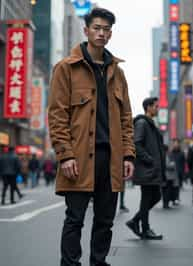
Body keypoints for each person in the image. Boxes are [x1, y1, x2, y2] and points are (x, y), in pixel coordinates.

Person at [48, 7, 135, 266]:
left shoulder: (117, 73)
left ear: (110, 34)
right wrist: (65, 154)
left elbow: (125, 118)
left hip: (111, 159)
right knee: (75, 218)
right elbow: (57, 115)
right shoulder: (66, 68)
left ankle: (99, 262)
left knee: (105, 220)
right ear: (86, 31)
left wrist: (128, 154)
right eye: (97, 28)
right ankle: (70, 263)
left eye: (106, 29)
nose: (101, 33)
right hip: (79, 157)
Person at [126, 97, 165, 240]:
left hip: (150, 169)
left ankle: (135, 222)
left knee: (154, 196)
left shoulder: (150, 123)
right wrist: (150, 160)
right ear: (148, 107)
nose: (158, 108)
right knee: (148, 197)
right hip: (146, 168)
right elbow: (137, 144)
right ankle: (145, 228)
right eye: (156, 106)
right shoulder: (142, 123)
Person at [162, 145, 179, 209]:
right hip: (168, 176)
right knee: (167, 190)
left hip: (163, 175)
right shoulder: (166, 155)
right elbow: (167, 165)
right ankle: (166, 204)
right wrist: (173, 164)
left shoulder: (161, 155)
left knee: (164, 190)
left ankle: (165, 203)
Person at [171, 139, 185, 203]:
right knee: (172, 186)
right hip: (172, 172)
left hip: (179, 172)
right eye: (174, 143)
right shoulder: (171, 153)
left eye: (176, 143)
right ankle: (174, 198)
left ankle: (177, 197)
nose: (175, 145)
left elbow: (183, 163)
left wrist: (183, 172)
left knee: (177, 186)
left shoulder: (182, 153)